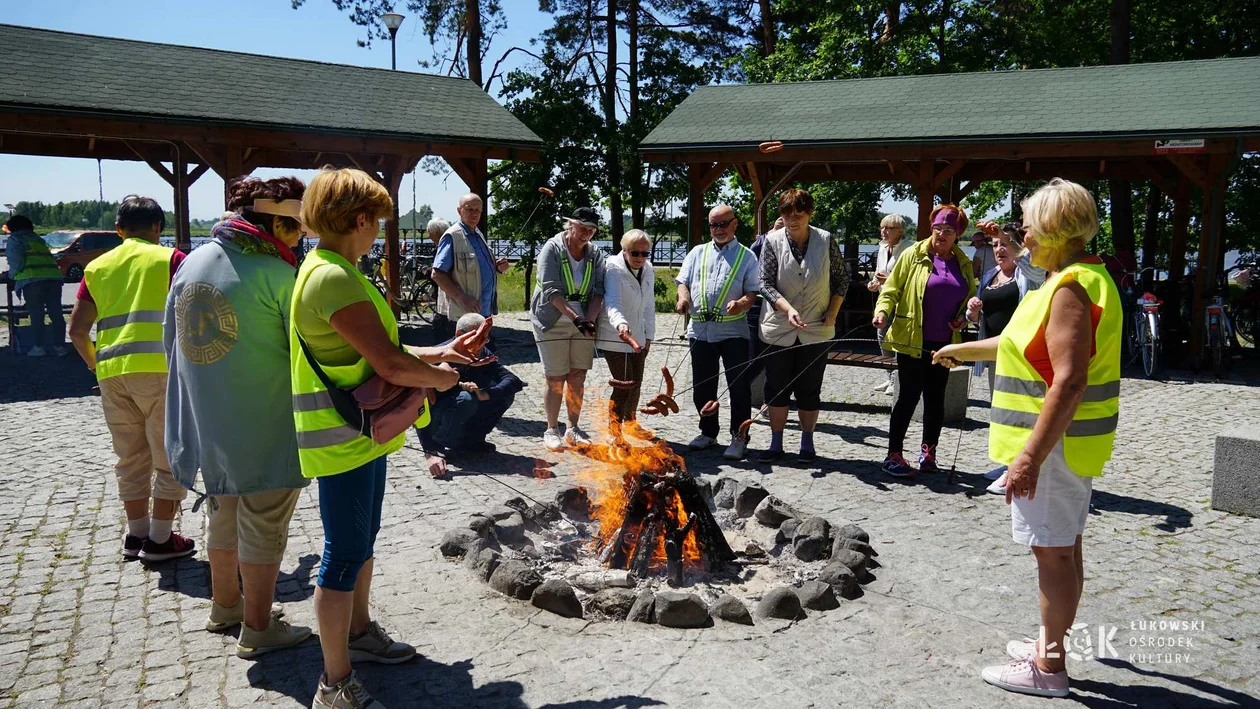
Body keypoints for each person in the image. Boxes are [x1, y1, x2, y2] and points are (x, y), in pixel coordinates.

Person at [934, 179, 1121, 698]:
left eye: (1031, 225)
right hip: (1069, 446)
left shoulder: (1068, 289)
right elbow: (1019, 344)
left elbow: (1070, 380)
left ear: (1057, 230)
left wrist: (1028, 460)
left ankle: (1049, 668)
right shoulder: (1078, 277)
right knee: (1066, 548)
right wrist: (959, 353)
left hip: (1053, 448)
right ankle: (1050, 642)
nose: (1024, 235)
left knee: (1054, 555)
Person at [293, 167, 462, 709]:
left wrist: (441, 355)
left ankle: (360, 634)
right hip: (342, 440)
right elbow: (388, 362)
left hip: (362, 435)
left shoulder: (337, 269)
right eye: (377, 225)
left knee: (360, 545)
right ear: (361, 219)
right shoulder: (333, 276)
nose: (378, 235)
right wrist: (444, 380)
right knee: (342, 555)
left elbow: (377, 351)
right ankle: (334, 682)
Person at [164, 176, 313, 658]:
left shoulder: (195, 261)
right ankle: (257, 627)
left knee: (222, 511)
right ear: (273, 221)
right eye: (294, 228)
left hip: (208, 421)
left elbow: (173, 341)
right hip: (264, 418)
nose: (300, 237)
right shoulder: (276, 274)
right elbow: (310, 348)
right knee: (264, 522)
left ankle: (225, 605)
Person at [68, 196, 196, 562]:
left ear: (118, 230)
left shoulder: (97, 267)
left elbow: (78, 331)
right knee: (169, 455)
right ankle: (159, 539)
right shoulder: (172, 260)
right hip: (163, 373)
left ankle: (135, 534)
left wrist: (97, 366)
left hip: (112, 374)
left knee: (129, 457)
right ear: (158, 227)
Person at [873, 203, 975, 478]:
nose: (941, 233)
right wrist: (882, 312)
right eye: (937, 228)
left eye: (948, 230)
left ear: (958, 234)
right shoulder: (913, 255)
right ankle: (893, 454)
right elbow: (890, 290)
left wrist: (963, 319)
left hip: (945, 343)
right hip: (911, 340)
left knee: (935, 399)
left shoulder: (963, 262)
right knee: (906, 397)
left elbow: (968, 302)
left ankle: (928, 453)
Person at [758, 189, 848, 463]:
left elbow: (841, 280)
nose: (792, 219)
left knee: (809, 388)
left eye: (798, 214)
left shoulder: (826, 240)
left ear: (809, 213)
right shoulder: (771, 241)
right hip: (779, 328)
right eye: (786, 214)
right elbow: (765, 284)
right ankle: (776, 443)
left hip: (817, 328)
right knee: (776, 387)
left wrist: (833, 311)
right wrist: (787, 308)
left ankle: (807, 443)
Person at [964, 221, 1046, 494]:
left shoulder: (1029, 274)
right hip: (995, 353)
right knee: (1000, 412)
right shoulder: (989, 275)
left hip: (1023, 354)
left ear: (1019, 247)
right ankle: (1007, 462)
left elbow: (1034, 268)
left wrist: (1008, 238)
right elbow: (980, 318)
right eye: (996, 245)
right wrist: (973, 311)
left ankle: (1019, 467)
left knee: (1022, 412)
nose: (1000, 249)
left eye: (1006, 244)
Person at [677, 205, 759, 460]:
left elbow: (752, 292)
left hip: (733, 330)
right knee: (702, 386)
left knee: (738, 387)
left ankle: (739, 437)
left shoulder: (747, 256)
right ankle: (708, 432)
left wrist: (742, 304)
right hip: (700, 330)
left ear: (735, 224)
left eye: (723, 224)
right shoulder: (696, 253)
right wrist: (683, 300)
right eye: (714, 225)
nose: (718, 230)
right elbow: (683, 283)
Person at [530, 207, 607, 451]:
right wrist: (577, 318)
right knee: (555, 376)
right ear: (570, 225)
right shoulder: (551, 249)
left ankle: (573, 428)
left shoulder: (595, 254)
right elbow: (551, 291)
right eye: (582, 228)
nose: (587, 234)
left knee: (578, 375)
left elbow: (598, 291)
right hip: (553, 318)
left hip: (582, 320)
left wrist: (590, 319)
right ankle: (551, 429)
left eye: (592, 230)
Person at [420, 312, 524, 477]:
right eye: (477, 338)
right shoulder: (437, 355)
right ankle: (442, 443)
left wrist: (486, 393)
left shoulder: (483, 353)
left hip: (464, 407)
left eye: (486, 338)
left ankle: (471, 441)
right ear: (459, 335)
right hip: (438, 413)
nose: (482, 344)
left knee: (503, 395)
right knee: (466, 399)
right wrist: (430, 450)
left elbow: (512, 380)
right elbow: (420, 404)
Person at [598, 229, 656, 443]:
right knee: (624, 384)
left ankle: (631, 423)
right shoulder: (613, 268)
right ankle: (614, 431)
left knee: (637, 382)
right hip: (615, 335)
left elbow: (649, 305)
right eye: (635, 253)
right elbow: (612, 302)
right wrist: (620, 324)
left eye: (644, 253)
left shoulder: (648, 269)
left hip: (638, 336)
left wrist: (649, 334)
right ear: (624, 250)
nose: (640, 258)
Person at [431, 194, 509, 345]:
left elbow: (478, 267)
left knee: (481, 361)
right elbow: (437, 274)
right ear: (459, 210)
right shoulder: (452, 236)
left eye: (478, 210)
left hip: (482, 314)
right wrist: (463, 298)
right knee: (461, 363)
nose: (474, 213)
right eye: (469, 209)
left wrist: (497, 266)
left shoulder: (477, 233)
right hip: (461, 317)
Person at [4, 214, 67, 357]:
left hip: (33, 280)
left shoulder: (16, 239)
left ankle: (38, 347)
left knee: (37, 314)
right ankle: (60, 347)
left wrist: (10, 275)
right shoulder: (38, 239)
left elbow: (16, 262)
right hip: (53, 278)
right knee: (56, 313)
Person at [868, 214, 911, 393]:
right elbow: (879, 272)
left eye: (889, 228)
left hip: (902, 302)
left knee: (898, 341)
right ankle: (890, 377)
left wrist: (890, 280)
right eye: (882, 228)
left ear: (900, 231)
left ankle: (898, 380)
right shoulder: (882, 248)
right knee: (882, 337)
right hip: (883, 301)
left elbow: (911, 278)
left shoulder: (910, 249)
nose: (884, 232)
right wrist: (874, 283)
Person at [745, 216, 783, 408]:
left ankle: (770, 401)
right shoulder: (760, 243)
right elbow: (750, 265)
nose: (783, 224)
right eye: (780, 221)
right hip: (757, 307)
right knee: (755, 357)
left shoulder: (794, 244)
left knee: (776, 357)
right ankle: (741, 391)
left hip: (780, 309)